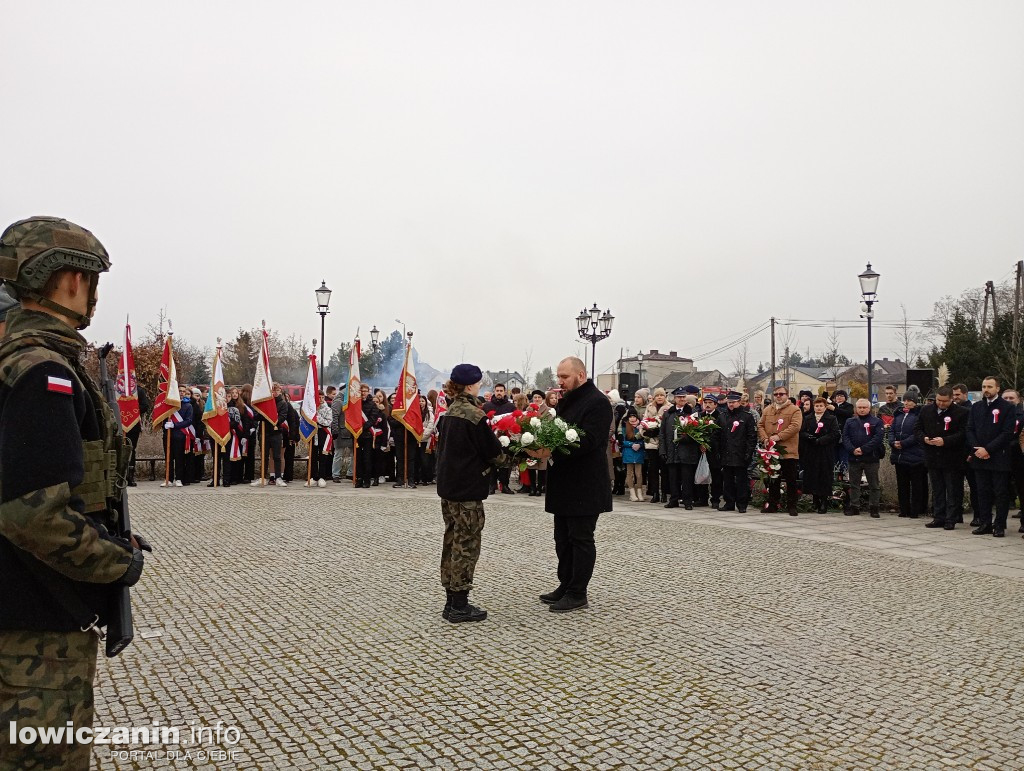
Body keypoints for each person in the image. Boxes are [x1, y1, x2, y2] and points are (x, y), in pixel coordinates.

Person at [0, 215, 149, 769]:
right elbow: (32, 513)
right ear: (68, 281)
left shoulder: (16, 363)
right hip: (34, 627)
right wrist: (117, 561)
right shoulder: (43, 374)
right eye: (91, 282)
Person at [528, 357, 612, 613]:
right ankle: (565, 584)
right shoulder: (567, 401)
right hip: (563, 482)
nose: (559, 382)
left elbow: (589, 441)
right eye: (559, 376)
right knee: (561, 538)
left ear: (581, 375)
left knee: (580, 538)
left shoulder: (597, 403)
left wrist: (551, 449)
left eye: (564, 377)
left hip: (585, 484)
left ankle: (578, 592)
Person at [435, 364, 505, 623]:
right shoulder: (474, 416)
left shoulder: (450, 411)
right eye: (478, 383)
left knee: (452, 542)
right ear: (471, 385)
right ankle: (460, 605)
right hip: (467, 491)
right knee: (467, 545)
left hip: (450, 489)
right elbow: (494, 453)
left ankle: (451, 600)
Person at [966, 376, 1016, 537]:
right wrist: (977, 449)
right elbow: (970, 429)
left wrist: (988, 449)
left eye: (989, 386)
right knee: (982, 491)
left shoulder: (1007, 408)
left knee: (1000, 493)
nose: (986, 389)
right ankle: (985, 523)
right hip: (979, 456)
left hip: (998, 456)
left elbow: (1007, 433)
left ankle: (999, 525)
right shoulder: (977, 407)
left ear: (997, 389)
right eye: (984, 386)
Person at [917, 386, 969, 530]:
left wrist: (945, 441)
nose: (940, 404)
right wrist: (924, 438)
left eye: (944, 401)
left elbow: (963, 433)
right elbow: (918, 429)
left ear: (951, 399)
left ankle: (951, 518)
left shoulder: (962, 412)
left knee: (952, 490)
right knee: (937, 489)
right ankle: (938, 517)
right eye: (938, 400)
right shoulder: (926, 410)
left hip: (952, 458)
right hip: (932, 456)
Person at [758, 386, 802, 516]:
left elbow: (795, 426)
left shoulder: (795, 410)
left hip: (788, 450)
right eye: (776, 394)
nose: (778, 396)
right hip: (771, 450)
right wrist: (765, 438)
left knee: (791, 480)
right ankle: (773, 504)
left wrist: (778, 436)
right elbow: (760, 425)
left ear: (787, 395)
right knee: (773, 479)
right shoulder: (767, 410)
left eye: (781, 394)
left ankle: (792, 506)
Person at [659, 387, 699, 510]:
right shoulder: (668, 413)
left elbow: (697, 433)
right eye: (679, 397)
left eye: (683, 397)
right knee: (673, 478)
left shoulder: (692, 413)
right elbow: (662, 433)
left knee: (687, 478)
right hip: (672, 451)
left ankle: (687, 501)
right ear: (674, 399)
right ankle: (674, 499)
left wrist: (686, 437)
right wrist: (663, 450)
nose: (681, 399)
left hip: (687, 452)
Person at [842, 399, 884, 517]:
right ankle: (854, 506)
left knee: (874, 485)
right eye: (859, 407)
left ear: (869, 408)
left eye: (864, 407)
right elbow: (845, 437)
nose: (862, 409)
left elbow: (877, 438)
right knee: (854, 484)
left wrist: (863, 449)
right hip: (854, 457)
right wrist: (852, 449)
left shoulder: (876, 421)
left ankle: (874, 508)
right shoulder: (850, 421)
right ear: (856, 408)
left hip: (871, 458)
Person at [888, 392, 927, 519]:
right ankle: (904, 509)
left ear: (915, 402)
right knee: (902, 485)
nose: (907, 403)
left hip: (915, 456)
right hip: (900, 456)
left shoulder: (919, 415)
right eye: (905, 400)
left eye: (910, 400)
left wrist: (904, 443)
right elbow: (892, 431)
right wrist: (893, 442)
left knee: (916, 485)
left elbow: (917, 433)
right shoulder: (898, 415)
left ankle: (915, 510)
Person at [799, 397, 841, 513]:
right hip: (811, 451)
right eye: (816, 406)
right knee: (812, 475)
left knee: (824, 476)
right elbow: (802, 432)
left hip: (825, 451)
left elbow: (835, 433)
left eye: (821, 406)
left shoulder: (831, 418)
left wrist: (821, 440)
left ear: (825, 407)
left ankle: (824, 501)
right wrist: (809, 437)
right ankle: (815, 500)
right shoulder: (808, 418)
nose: (818, 408)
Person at [720, 391, 758, 512]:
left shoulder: (747, 417)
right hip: (726, 454)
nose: (731, 404)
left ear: (739, 402)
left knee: (742, 481)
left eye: (733, 402)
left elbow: (751, 437)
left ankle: (742, 504)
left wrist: (748, 453)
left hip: (741, 454)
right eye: (729, 402)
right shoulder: (723, 416)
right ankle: (729, 503)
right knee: (728, 481)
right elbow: (718, 436)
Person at [951, 383, 980, 524]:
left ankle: (978, 515)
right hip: (955, 454)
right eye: (953, 395)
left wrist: (972, 452)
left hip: (969, 454)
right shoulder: (953, 410)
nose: (955, 398)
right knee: (955, 486)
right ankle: (957, 514)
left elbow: (972, 432)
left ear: (965, 394)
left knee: (975, 486)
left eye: (957, 395)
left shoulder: (972, 409)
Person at [483, 383, 515, 494]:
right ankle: (492, 485)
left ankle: (505, 485)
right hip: (491, 438)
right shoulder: (487, 406)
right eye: (497, 390)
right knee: (492, 461)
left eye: (501, 390)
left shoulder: (510, 406)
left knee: (505, 462)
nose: (499, 392)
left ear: (505, 392)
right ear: (494, 391)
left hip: (506, 438)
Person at [693, 393, 724, 509]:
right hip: (700, 450)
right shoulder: (699, 416)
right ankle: (702, 498)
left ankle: (715, 499)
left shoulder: (720, 416)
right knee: (702, 474)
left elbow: (719, 434)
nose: (707, 405)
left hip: (714, 451)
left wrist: (708, 444)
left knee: (716, 476)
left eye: (710, 403)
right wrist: (700, 443)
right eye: (705, 403)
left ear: (715, 404)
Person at [163, 385, 194, 487]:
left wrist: (174, 425)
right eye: (179, 391)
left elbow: (188, 421)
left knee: (179, 458)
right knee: (168, 457)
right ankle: (169, 478)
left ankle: (179, 478)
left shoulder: (187, 406)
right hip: (168, 435)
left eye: (183, 391)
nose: (181, 393)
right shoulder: (169, 405)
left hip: (180, 435)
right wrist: (165, 425)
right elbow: (163, 417)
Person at [643, 388, 668, 503]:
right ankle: (655, 493)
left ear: (665, 397)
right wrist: (646, 432)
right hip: (652, 443)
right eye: (657, 395)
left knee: (664, 470)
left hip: (664, 443)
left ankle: (664, 493)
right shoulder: (649, 407)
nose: (659, 397)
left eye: (661, 395)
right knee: (652, 470)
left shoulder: (669, 407)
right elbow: (643, 422)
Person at [619, 413, 645, 501]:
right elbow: (622, 440)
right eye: (630, 417)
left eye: (634, 417)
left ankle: (639, 491)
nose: (632, 419)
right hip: (628, 452)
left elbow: (644, 439)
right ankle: (632, 492)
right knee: (629, 473)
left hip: (639, 452)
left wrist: (640, 445)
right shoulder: (624, 427)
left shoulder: (641, 427)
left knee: (639, 473)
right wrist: (631, 444)